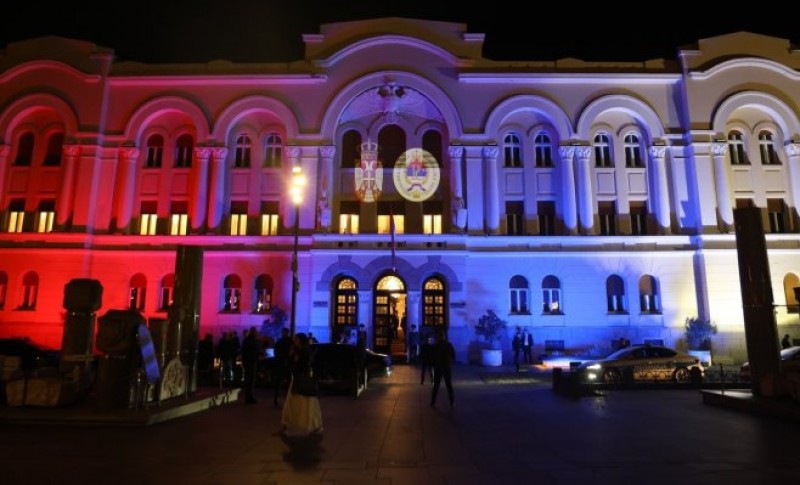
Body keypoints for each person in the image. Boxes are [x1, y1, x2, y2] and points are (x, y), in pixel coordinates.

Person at [281, 332, 323, 435]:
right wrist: (291, 357)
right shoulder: (296, 351)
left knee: (308, 404)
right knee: (291, 403)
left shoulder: (305, 351)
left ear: (300, 341)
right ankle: (286, 426)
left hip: (303, 381)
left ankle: (315, 426)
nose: (294, 341)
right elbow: (290, 364)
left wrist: (296, 360)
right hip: (296, 379)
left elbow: (306, 365)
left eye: (296, 339)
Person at [430, 330, 455, 408]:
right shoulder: (449, 345)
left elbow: (432, 358)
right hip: (446, 367)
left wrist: (433, 365)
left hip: (438, 368)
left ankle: (433, 402)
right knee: (449, 386)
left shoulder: (435, 346)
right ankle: (452, 402)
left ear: (438, 337)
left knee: (436, 386)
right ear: (444, 337)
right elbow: (453, 355)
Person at [273, 327, 293, 407]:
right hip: (287, 364)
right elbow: (291, 353)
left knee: (279, 381)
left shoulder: (279, 342)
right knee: (288, 382)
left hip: (281, 364)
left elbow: (276, 352)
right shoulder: (290, 342)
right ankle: (288, 399)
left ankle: (276, 398)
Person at [240, 327, 260, 404]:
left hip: (247, 362)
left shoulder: (246, 340)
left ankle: (248, 397)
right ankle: (250, 397)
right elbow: (255, 351)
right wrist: (258, 356)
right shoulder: (253, 341)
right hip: (252, 362)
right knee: (251, 380)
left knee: (248, 380)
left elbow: (244, 351)